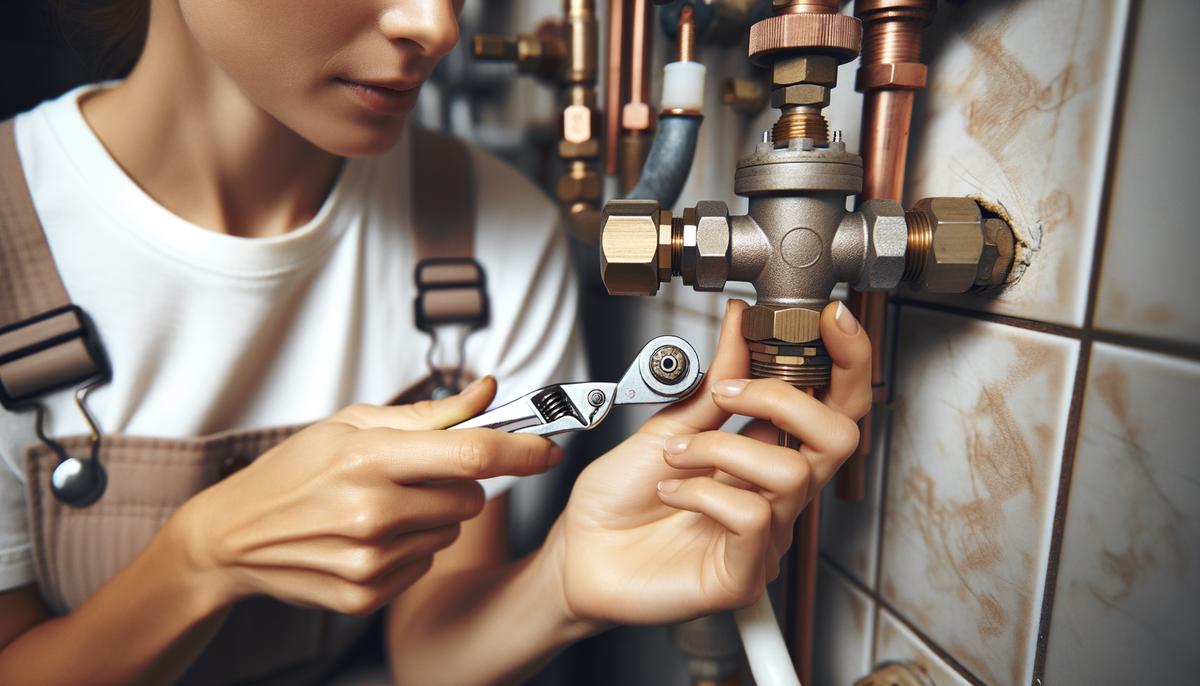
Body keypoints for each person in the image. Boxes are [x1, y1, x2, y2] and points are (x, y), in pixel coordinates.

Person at [0, 1, 872, 684]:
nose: (436, 24)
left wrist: (564, 582)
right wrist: (201, 559)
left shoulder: (489, 231)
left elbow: (429, 648)